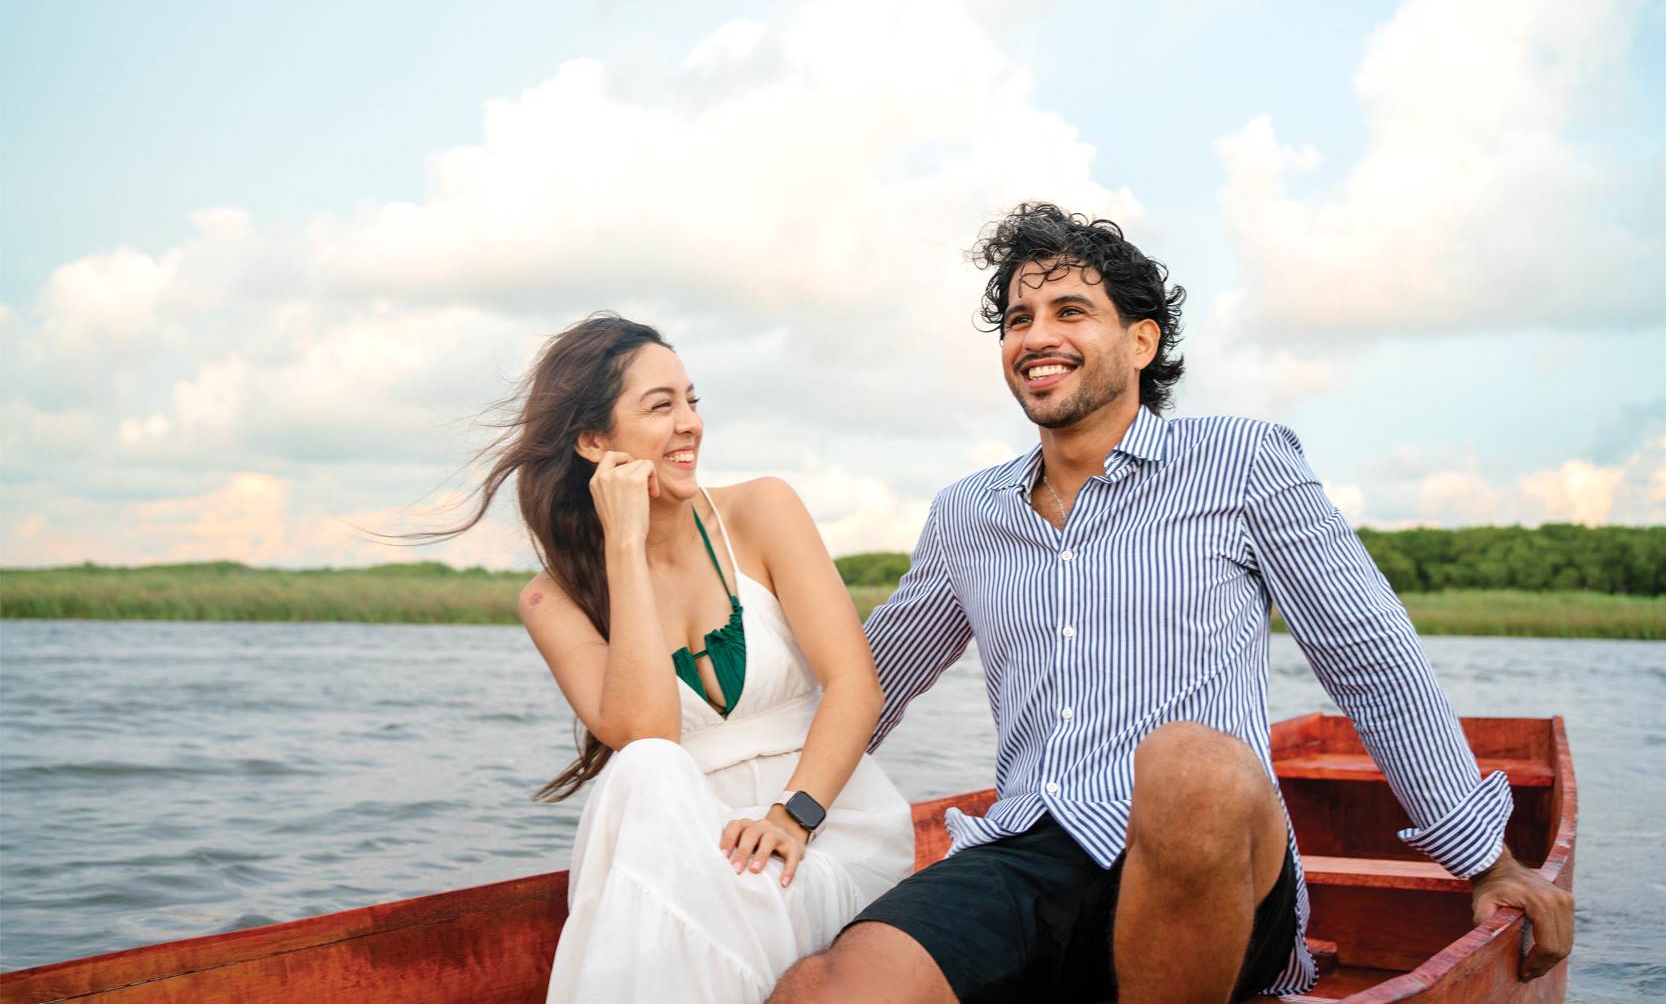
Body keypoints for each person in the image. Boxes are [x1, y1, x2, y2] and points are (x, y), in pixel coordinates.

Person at [771, 203, 1575, 1004]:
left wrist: (1488, 861)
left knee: (1189, 765)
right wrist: (775, 808)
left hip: (1208, 857)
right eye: (1019, 318)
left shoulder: (1242, 462)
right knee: (819, 987)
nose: (1035, 335)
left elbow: (1371, 660)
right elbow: (867, 684)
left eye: (1070, 311)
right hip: (1029, 848)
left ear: (1142, 340)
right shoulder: (966, 513)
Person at [440, 314, 914, 1004]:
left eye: (692, 400)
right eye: (661, 406)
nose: (690, 422)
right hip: (686, 849)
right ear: (594, 441)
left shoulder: (763, 509)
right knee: (649, 766)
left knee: (716, 889)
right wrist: (624, 545)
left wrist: (790, 815)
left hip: (819, 823)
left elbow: (855, 686)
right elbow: (648, 730)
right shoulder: (553, 600)